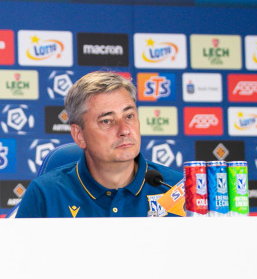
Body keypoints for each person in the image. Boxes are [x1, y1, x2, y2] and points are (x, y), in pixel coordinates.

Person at [15, 71, 182, 218]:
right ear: (79, 135)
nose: (125, 130)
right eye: (107, 121)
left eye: (129, 116)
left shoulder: (177, 189)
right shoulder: (45, 194)